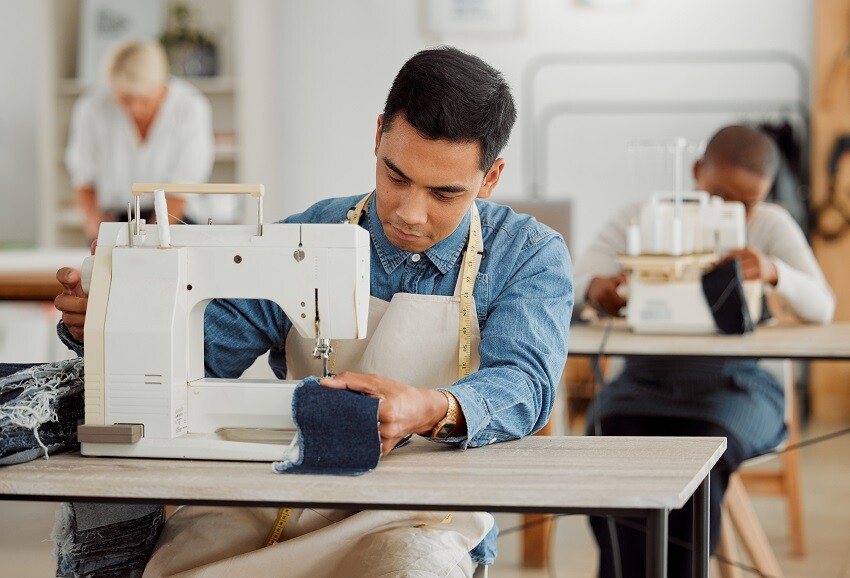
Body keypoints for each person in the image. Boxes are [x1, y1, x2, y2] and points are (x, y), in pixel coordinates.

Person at [54, 46, 573, 577]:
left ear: (490, 178)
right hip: (284, 486)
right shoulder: (311, 233)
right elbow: (208, 354)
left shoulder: (527, 254)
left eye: (444, 193)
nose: (411, 213)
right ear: (377, 136)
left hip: (423, 515)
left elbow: (526, 384)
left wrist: (433, 407)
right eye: (396, 177)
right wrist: (113, 321)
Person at [574, 125, 835, 577]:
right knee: (608, 433)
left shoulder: (769, 226)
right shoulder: (643, 217)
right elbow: (572, 286)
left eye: (746, 202)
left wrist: (775, 271)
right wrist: (597, 290)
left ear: (766, 194)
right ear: (697, 172)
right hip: (644, 383)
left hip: (737, 388)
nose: (732, 210)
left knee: (702, 449)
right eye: (719, 194)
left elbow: (822, 306)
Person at [65, 40, 217, 243]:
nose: (135, 108)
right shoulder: (91, 108)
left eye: (144, 99)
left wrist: (152, 244)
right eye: (125, 99)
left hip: (175, 219)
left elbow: (183, 187)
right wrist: (97, 234)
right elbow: (83, 178)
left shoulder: (191, 107)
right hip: (115, 221)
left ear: (161, 84)